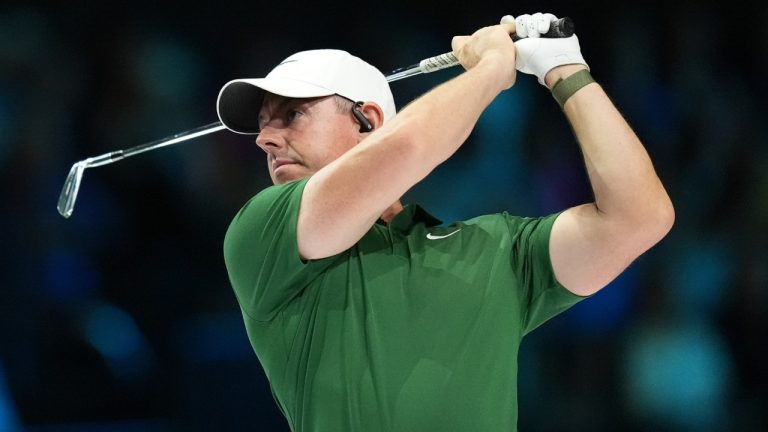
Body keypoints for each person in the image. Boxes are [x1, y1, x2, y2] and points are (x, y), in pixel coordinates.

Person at [216, 12, 674, 432]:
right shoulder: (262, 230)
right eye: (263, 124)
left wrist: (566, 71)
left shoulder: (496, 250)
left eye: (292, 114)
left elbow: (638, 217)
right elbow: (407, 149)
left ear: (368, 120)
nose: (265, 139)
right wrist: (492, 70)